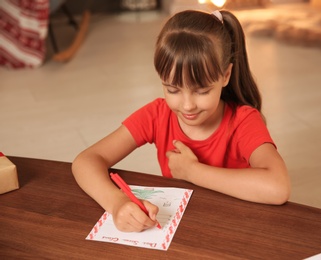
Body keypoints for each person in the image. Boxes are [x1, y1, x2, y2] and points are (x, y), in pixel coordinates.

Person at [72, 9, 290, 233]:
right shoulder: (157, 114)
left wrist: (192, 171)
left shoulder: (243, 121)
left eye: (202, 91)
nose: (187, 105)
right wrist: (116, 203)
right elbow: (85, 161)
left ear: (225, 76)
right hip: (182, 229)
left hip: (237, 229)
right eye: (172, 89)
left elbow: (278, 187)